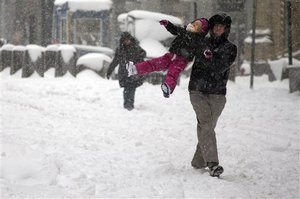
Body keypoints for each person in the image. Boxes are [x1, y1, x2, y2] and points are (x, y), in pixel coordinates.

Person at [188, 13, 237, 177]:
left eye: (221, 26)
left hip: (217, 94)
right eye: (215, 25)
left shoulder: (230, 48)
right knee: (207, 125)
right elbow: (186, 53)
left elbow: (219, 67)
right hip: (197, 91)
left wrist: (209, 57)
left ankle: (198, 161)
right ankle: (213, 164)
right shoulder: (201, 42)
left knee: (206, 127)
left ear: (226, 29)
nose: (218, 28)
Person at [126, 18, 209, 98]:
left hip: (181, 60)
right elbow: (174, 29)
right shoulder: (183, 30)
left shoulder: (199, 39)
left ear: (201, 30)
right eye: (194, 23)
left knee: (173, 73)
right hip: (170, 56)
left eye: (197, 25)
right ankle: (135, 69)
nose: (193, 25)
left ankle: (168, 88)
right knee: (153, 63)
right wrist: (168, 24)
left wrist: (206, 52)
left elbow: (202, 48)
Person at [107, 32, 146, 111]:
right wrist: (109, 71)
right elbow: (115, 61)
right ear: (122, 40)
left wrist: (139, 65)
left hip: (132, 71)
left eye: (128, 40)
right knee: (126, 88)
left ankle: (130, 104)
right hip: (123, 72)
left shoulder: (135, 48)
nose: (127, 41)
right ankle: (126, 104)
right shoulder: (120, 50)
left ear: (130, 40)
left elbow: (143, 54)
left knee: (131, 88)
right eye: (125, 40)